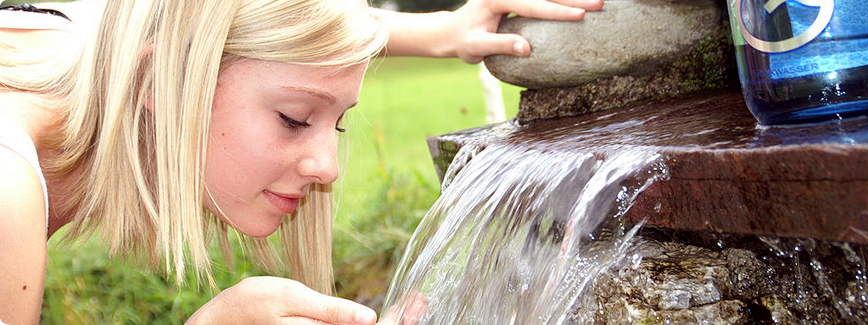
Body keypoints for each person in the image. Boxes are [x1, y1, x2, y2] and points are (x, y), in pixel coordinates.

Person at [0, 0, 604, 323]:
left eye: (337, 121)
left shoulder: (102, 42)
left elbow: (254, 21)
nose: (328, 166)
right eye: (294, 118)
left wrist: (445, 30)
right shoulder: (8, 190)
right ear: (164, 81)